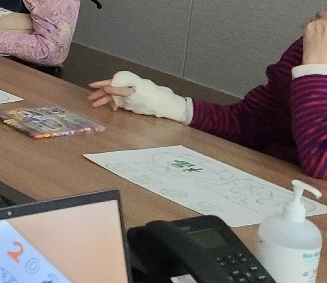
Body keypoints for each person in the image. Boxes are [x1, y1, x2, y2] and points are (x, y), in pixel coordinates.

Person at [88, 11, 327, 179]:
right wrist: (165, 103)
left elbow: (321, 162)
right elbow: (256, 122)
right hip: (274, 186)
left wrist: (314, 70)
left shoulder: (316, 53)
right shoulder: (315, 42)